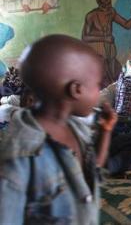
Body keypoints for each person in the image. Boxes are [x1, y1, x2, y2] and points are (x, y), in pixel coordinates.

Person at [0, 34, 118, 224]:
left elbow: (92, 168)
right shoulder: (22, 153)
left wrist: (105, 131)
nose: (99, 92)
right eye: (97, 85)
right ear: (76, 89)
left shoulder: (75, 128)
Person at [81, 0, 131, 87]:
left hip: (110, 53)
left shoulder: (111, 12)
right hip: (98, 54)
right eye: (105, 0)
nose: (108, 2)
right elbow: (85, 37)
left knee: (116, 77)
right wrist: (104, 38)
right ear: (99, 2)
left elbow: (126, 25)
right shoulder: (91, 16)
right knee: (103, 79)